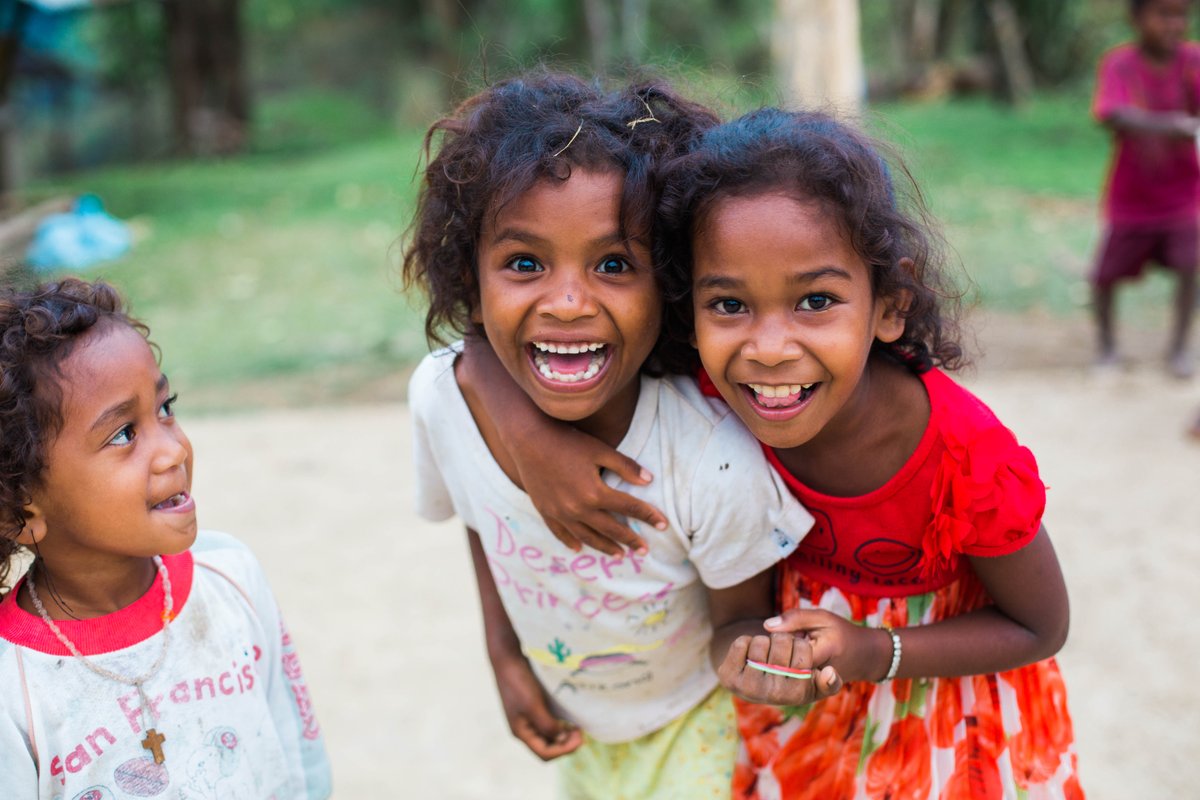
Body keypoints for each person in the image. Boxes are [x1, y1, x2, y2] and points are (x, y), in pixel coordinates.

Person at [471, 108, 1086, 798]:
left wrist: (872, 652)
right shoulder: (707, 393)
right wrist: (532, 439)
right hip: (804, 739)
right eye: (729, 305)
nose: (768, 349)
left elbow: (1040, 626)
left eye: (815, 301)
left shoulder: (964, 457)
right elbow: (474, 349)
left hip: (955, 738)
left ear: (890, 303)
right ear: (687, 309)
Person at [402, 72, 838, 799]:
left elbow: (739, 622)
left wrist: (765, 664)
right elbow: (482, 518)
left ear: (670, 283)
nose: (569, 302)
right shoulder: (442, 402)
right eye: (525, 263)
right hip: (585, 736)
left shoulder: (709, 459)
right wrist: (504, 656)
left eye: (613, 264)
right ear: (471, 282)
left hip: (700, 729)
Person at [0, 279, 332, 798]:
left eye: (165, 408)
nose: (173, 451)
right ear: (21, 509)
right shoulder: (13, 688)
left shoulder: (231, 578)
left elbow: (301, 767)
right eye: (123, 434)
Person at [1091, 0, 1200, 378]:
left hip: (1183, 192)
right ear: (1136, 19)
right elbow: (1113, 113)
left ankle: (1178, 350)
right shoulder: (1119, 64)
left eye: (1181, 15)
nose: (1174, 24)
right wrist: (1172, 125)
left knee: (1189, 265)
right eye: (1163, 15)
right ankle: (1107, 348)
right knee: (1106, 275)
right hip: (1131, 196)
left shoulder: (1193, 62)